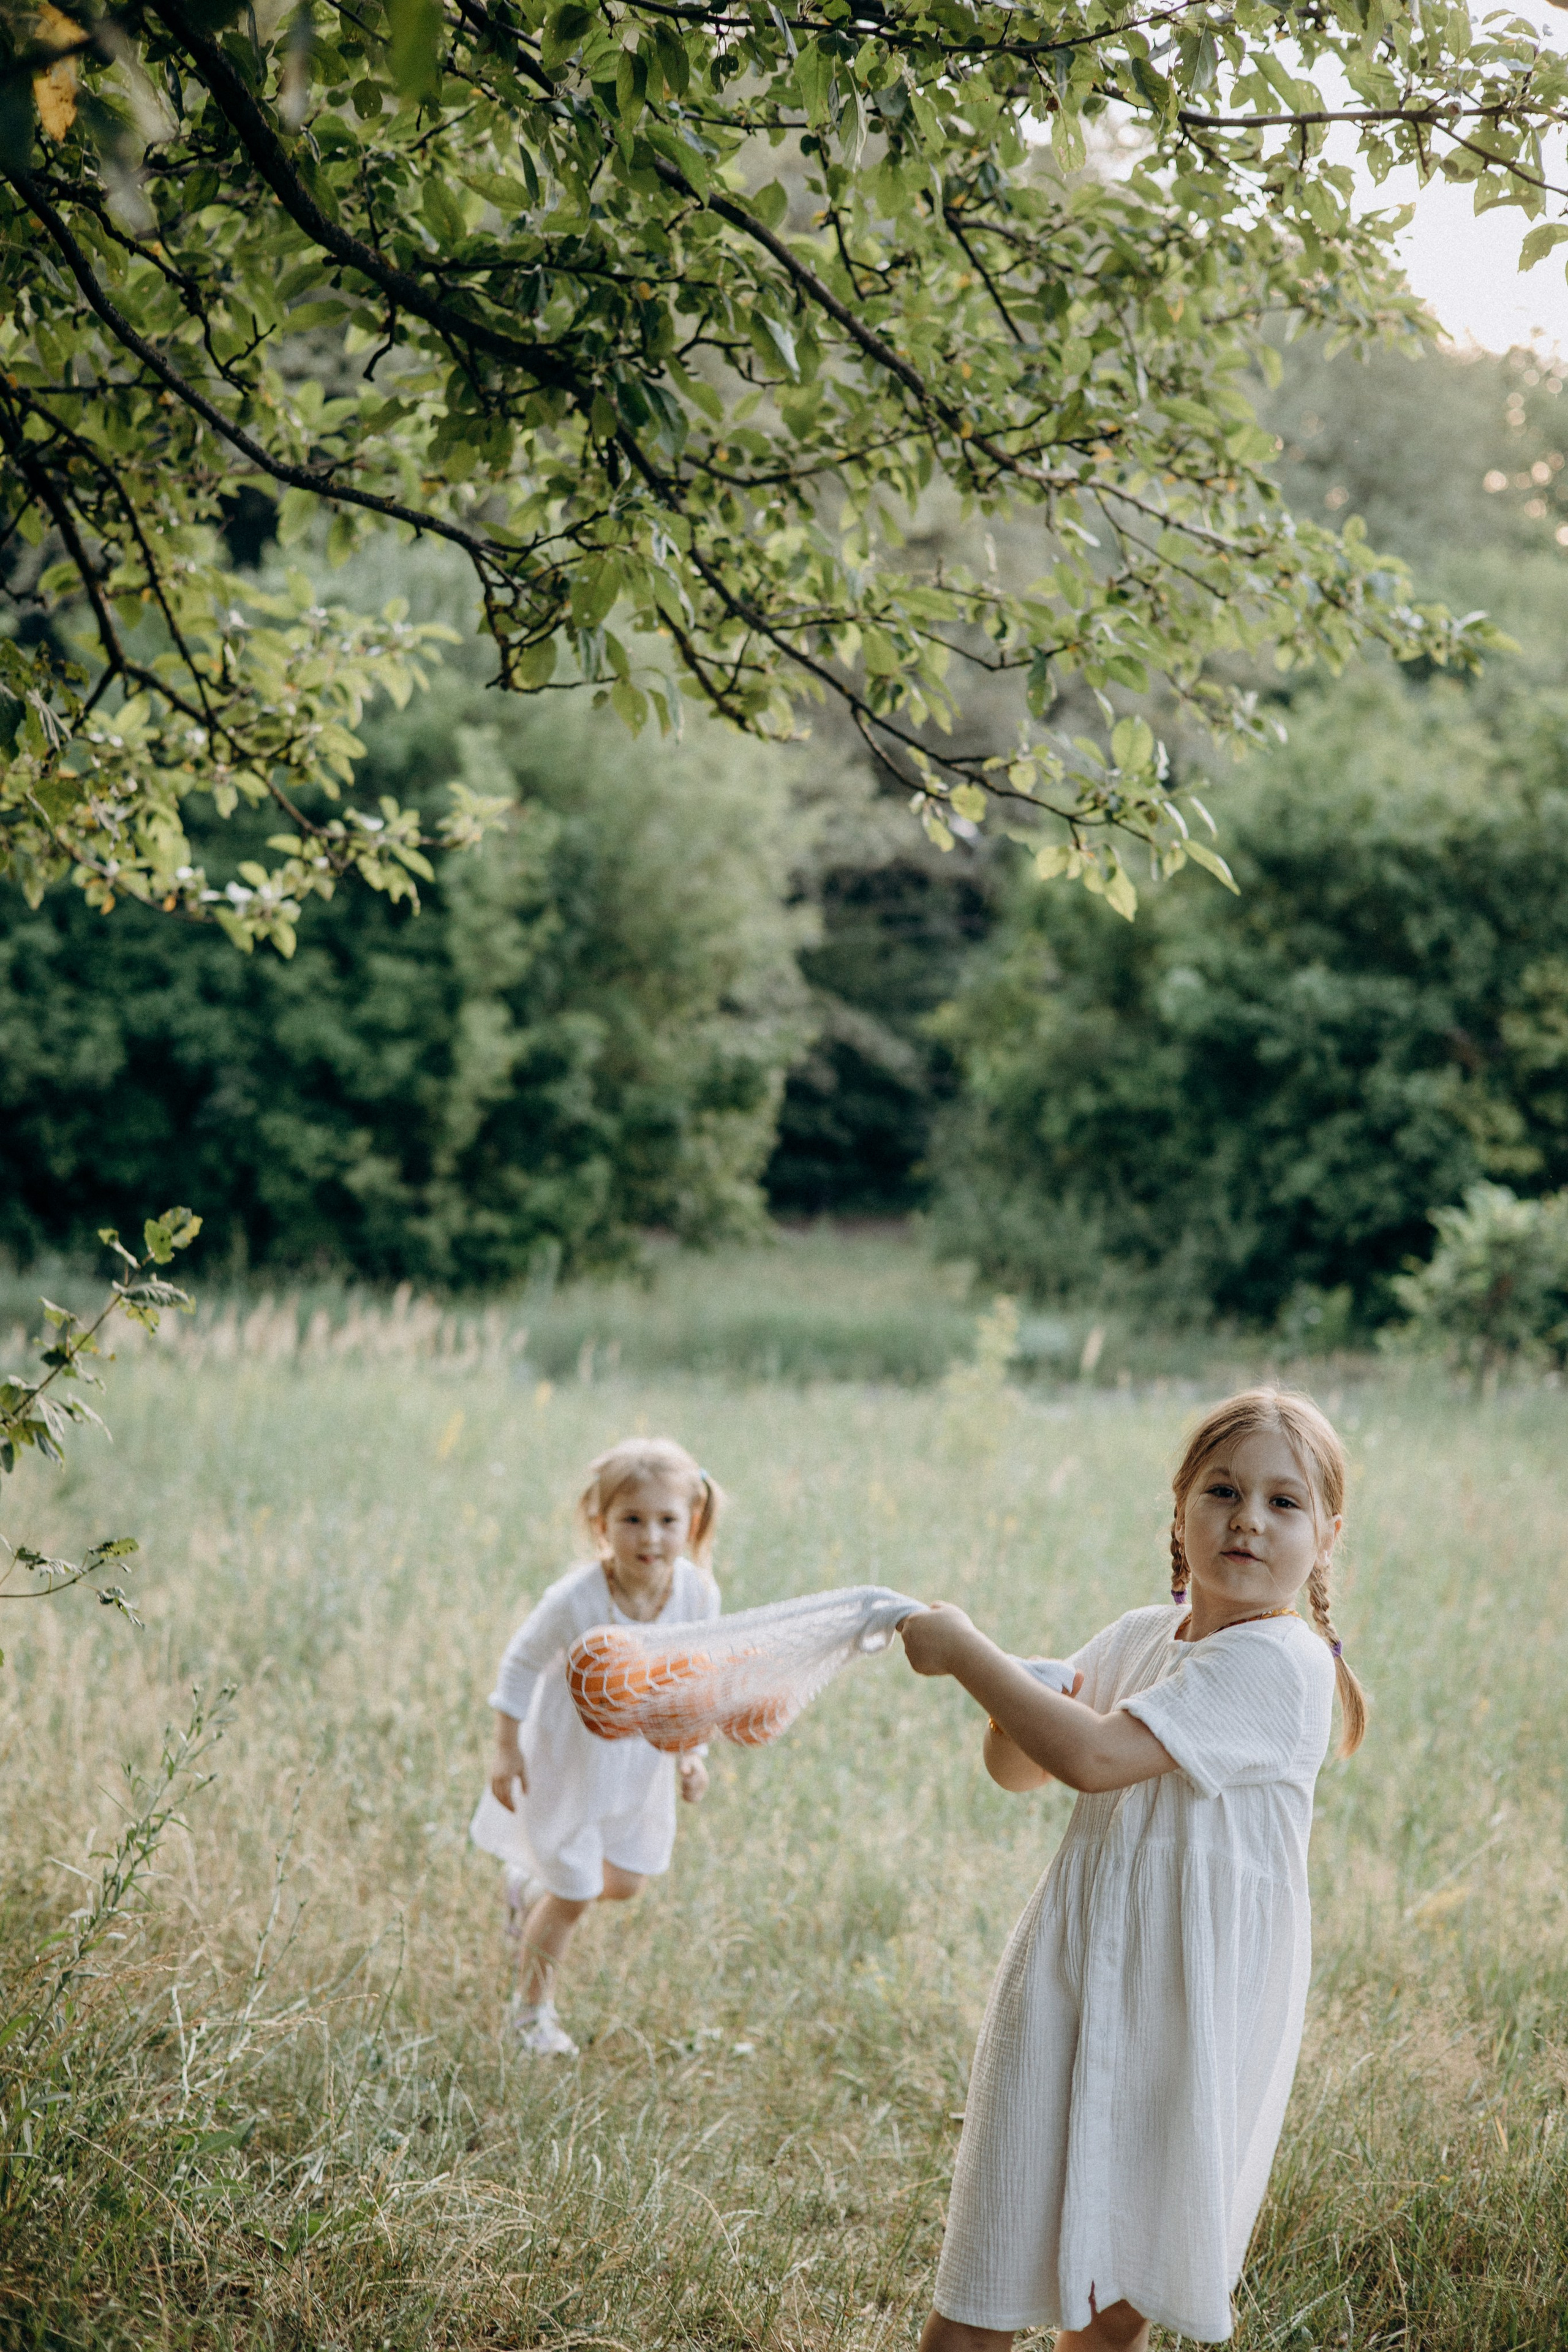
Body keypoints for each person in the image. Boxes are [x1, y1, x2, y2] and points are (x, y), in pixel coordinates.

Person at [899, 1387, 1366, 2351]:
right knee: (981, 2282)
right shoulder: (1137, 1637)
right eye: (1224, 1491)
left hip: (1188, 2011)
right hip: (1070, 1982)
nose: (1248, 1518)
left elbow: (1097, 1758)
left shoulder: (1286, 1663)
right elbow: (1021, 1768)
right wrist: (1021, 1696)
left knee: (1112, 2312)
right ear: (1179, 1509)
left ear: (1325, 1539)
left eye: (1284, 1503)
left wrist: (967, 1655)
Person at [473, 1437, 723, 2057]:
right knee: (576, 1894)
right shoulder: (576, 1598)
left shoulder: (697, 1594)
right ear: (600, 1523)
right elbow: (519, 1665)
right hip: (571, 1759)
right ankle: (531, 2013)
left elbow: (696, 1682)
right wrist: (506, 1750)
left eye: (667, 1521)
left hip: (642, 1762)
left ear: (691, 1521)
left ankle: (528, 1893)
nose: (651, 1538)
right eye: (631, 1520)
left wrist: (693, 1755)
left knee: (629, 1879)